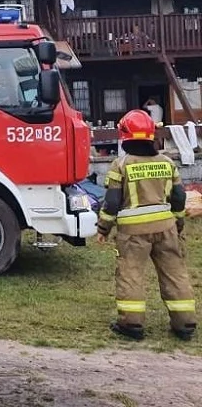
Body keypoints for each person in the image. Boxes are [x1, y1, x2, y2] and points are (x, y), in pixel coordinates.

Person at [95, 109, 196, 341]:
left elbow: (111, 202)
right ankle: (185, 323)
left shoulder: (120, 165)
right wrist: (178, 222)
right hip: (166, 228)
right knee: (175, 273)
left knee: (130, 274)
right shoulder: (167, 162)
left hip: (133, 233)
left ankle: (131, 324)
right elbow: (179, 197)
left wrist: (103, 229)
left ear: (125, 136)